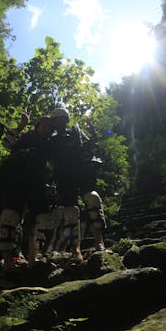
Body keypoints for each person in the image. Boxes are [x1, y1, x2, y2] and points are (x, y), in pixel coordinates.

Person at [0, 115, 54, 274]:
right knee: (9, 219)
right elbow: (6, 147)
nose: (44, 128)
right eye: (42, 125)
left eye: (48, 126)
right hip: (14, 182)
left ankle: (34, 258)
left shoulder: (50, 146)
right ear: (37, 126)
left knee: (42, 220)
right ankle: (8, 263)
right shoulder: (24, 138)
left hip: (36, 185)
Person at [48, 105, 110, 263]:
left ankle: (99, 242)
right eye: (56, 120)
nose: (59, 123)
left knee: (93, 199)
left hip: (82, 173)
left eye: (61, 119)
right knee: (71, 212)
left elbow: (90, 147)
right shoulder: (51, 140)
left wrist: (93, 135)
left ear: (66, 120)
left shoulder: (76, 132)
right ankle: (75, 249)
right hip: (64, 177)